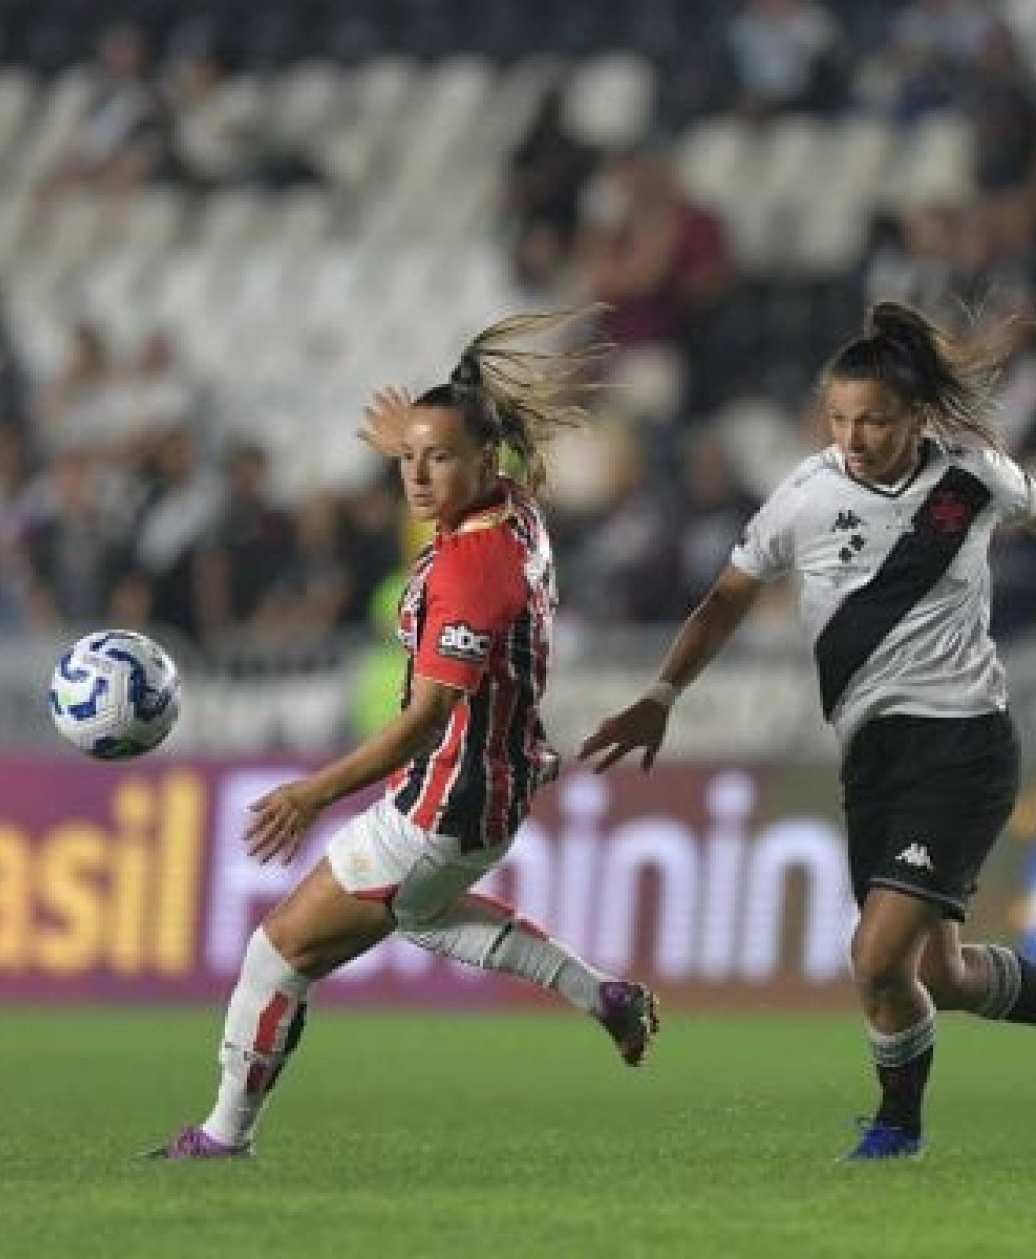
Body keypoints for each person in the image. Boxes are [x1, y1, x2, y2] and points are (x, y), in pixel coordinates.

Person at [579, 300, 1036, 1160]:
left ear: (917, 416)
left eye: (875, 420)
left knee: (875, 957)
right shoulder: (804, 496)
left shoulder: (972, 476)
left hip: (963, 741)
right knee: (937, 974)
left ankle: (898, 1128)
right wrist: (663, 693)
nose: (854, 437)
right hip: (874, 756)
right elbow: (725, 601)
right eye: (841, 418)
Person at [149, 309, 660, 1159]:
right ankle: (602, 994)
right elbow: (469, 459)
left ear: (482, 459)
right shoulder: (518, 513)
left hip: (443, 799)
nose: (416, 476)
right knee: (421, 915)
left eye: (438, 458)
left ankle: (221, 1138)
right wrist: (421, 434)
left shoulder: (470, 571)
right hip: (498, 788)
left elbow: (423, 721)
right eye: (408, 459)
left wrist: (311, 792)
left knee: (276, 957)